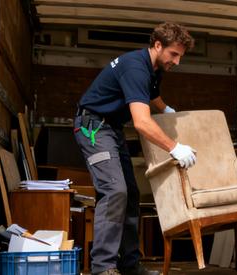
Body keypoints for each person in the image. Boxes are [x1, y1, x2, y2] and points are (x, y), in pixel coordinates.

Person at [74, 22, 199, 275]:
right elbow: (142, 123)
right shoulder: (135, 67)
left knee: (130, 194)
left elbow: (151, 94)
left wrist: (164, 109)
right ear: (157, 45)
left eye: (180, 56)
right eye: (173, 54)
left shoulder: (154, 69)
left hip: (112, 129)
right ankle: (103, 267)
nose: (177, 61)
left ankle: (129, 265)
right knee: (114, 191)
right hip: (93, 127)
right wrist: (175, 147)